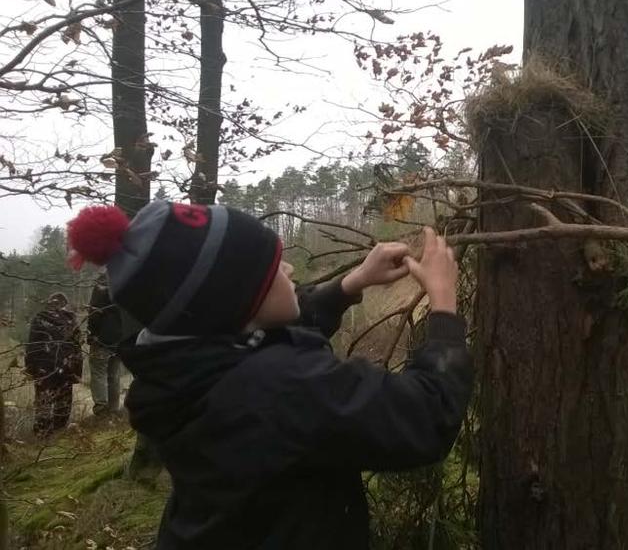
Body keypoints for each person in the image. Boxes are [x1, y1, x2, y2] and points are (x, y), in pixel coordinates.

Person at [65, 201, 472, 549]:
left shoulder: (182, 369)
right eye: (275, 267)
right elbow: (425, 416)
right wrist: (444, 305)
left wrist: (350, 284)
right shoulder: (281, 388)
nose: (291, 268)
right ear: (236, 300)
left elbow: (264, 335)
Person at [24, 292, 83, 438]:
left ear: (49, 303)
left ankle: (42, 434)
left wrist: (30, 367)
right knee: (64, 398)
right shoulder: (72, 321)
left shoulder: (39, 319)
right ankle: (59, 431)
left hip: (44, 366)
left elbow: (32, 345)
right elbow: (77, 347)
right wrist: (77, 372)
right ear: (64, 305)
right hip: (67, 365)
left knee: (44, 398)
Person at [86, 276, 123, 416]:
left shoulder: (101, 285)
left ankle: (101, 408)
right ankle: (114, 408)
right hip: (119, 339)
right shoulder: (124, 281)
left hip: (102, 339)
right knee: (114, 374)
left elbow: (94, 312)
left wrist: (92, 334)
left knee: (98, 372)